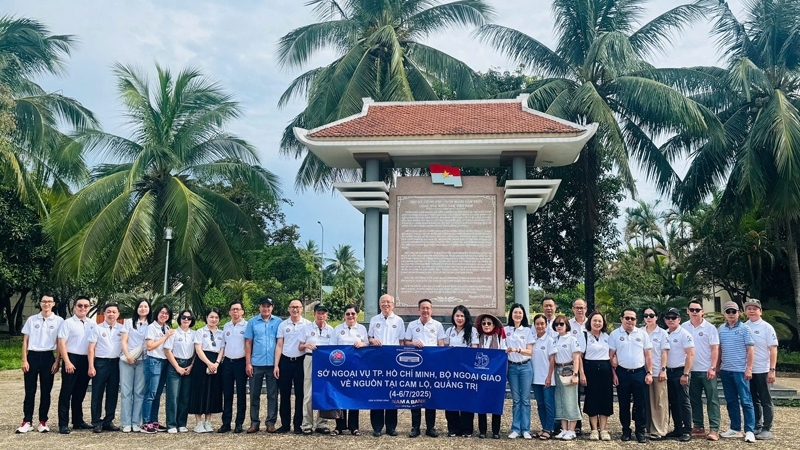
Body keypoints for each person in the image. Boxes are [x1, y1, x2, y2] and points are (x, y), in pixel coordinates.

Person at [17, 294, 63, 434]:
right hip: (33, 355)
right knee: (29, 390)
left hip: (48, 356)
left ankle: (43, 421)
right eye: (44, 301)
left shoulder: (59, 321)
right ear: (40, 303)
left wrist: (57, 361)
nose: (46, 304)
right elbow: (25, 341)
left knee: (46, 391)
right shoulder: (32, 320)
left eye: (49, 301)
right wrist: (24, 360)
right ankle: (27, 421)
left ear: (54, 303)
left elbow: (60, 343)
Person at [609, 309, 653, 443]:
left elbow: (648, 355)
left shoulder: (642, 334)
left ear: (636, 320)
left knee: (641, 404)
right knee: (623, 404)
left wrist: (649, 372)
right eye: (627, 318)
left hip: (639, 372)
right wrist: (614, 374)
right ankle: (626, 430)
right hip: (622, 373)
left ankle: (640, 431)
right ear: (621, 318)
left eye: (632, 319)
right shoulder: (615, 334)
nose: (630, 321)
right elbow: (611, 355)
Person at [405, 298, 445, 438]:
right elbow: (405, 342)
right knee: (415, 396)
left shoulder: (438, 325)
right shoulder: (411, 325)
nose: (425, 311)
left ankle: (430, 427)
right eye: (423, 308)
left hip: (431, 365)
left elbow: (441, 344)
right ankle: (415, 427)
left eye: (428, 308)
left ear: (431, 310)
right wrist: (413, 343)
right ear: (419, 310)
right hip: (415, 365)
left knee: (430, 395)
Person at [57, 296, 96, 434]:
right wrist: (67, 361)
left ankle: (78, 421)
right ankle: (63, 424)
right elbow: (61, 343)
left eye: (86, 306)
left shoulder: (93, 323)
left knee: (80, 392)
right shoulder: (67, 323)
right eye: (80, 305)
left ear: (89, 308)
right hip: (71, 358)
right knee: (66, 392)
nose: (83, 308)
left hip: (86, 360)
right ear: (74, 307)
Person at [717, 301, 756, 442]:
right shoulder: (721, 329)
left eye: (734, 311)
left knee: (746, 401)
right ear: (724, 314)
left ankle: (750, 430)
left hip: (740, 370)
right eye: (728, 312)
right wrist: (717, 367)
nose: (731, 314)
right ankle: (735, 429)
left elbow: (750, 350)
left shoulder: (745, 329)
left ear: (739, 313)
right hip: (726, 370)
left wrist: (749, 368)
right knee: (731, 400)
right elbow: (719, 350)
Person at [683, 300, 721, 441]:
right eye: (692, 309)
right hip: (691, 370)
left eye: (697, 310)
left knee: (712, 399)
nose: (694, 312)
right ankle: (698, 426)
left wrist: (713, 367)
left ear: (702, 311)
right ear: (687, 311)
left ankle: (714, 428)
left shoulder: (710, 328)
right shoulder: (683, 327)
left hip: (706, 370)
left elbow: (715, 349)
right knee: (694, 400)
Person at [368, 293, 405, 437]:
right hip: (377, 361)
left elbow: (402, 341)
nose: (386, 305)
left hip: (393, 362)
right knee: (377, 393)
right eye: (383, 302)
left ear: (393, 304)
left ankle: (391, 427)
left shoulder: (399, 321)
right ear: (379, 305)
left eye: (388, 302)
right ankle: (377, 427)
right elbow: (369, 337)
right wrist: (372, 340)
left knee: (392, 394)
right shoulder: (374, 320)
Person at [330, 304, 368, 436]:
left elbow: (368, 345)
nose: (350, 316)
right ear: (344, 315)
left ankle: (354, 426)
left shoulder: (362, 329)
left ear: (357, 315)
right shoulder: (337, 329)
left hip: (356, 368)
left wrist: (363, 344)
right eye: (348, 314)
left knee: (354, 396)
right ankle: (339, 426)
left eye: (353, 313)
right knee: (340, 396)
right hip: (340, 368)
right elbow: (331, 348)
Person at [245, 296, 281, 433]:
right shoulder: (252, 322)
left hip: (273, 364)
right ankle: (254, 422)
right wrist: (248, 363)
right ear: (259, 307)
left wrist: (278, 364)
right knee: (254, 394)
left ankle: (271, 422)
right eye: (263, 306)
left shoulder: (278, 322)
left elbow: (280, 342)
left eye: (268, 306)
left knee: (272, 394)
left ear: (272, 307)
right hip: (256, 363)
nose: (266, 308)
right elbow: (248, 343)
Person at [274, 299, 310, 434]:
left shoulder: (307, 324)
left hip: (301, 361)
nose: (295, 310)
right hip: (285, 362)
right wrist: (276, 365)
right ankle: (285, 424)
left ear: (302, 308)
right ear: (288, 309)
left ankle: (298, 424)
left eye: (298, 307)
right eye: (293, 307)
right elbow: (279, 345)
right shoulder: (283, 325)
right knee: (284, 395)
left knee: (300, 394)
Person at [744, 298, 778, 440]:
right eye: (749, 308)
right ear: (745, 311)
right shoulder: (744, 326)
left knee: (765, 399)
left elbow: (773, 349)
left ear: (760, 311)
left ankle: (767, 428)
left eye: (755, 308)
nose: (752, 311)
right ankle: (756, 426)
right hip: (748, 370)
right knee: (753, 399)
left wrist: (772, 369)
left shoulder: (767, 327)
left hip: (763, 369)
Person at [87, 303, 123, 433]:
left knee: (113, 393)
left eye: (114, 312)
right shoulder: (97, 328)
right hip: (101, 363)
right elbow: (91, 348)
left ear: (118, 314)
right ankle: (96, 421)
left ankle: (108, 421)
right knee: (97, 393)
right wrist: (91, 366)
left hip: (116, 363)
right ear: (104, 313)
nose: (111, 314)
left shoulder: (122, 329)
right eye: (109, 311)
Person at [299, 304, 334, 434]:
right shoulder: (307, 328)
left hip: (326, 362)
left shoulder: (331, 330)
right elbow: (300, 346)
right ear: (314, 314)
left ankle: (321, 423)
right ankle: (307, 424)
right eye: (319, 313)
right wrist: (307, 345)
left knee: (324, 392)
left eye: (323, 313)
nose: (321, 315)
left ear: (327, 315)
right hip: (310, 359)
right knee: (308, 393)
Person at [444, 305, 477, 437]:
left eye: (462, 316)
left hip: (466, 370)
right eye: (457, 315)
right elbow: (444, 349)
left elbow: (474, 348)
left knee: (466, 399)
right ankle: (453, 428)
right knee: (451, 399)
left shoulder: (472, 331)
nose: (459, 318)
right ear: (453, 317)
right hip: (451, 370)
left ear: (466, 317)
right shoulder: (449, 331)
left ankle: (466, 428)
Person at [579, 310, 612, 441]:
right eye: (595, 321)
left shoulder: (607, 337)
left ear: (603, 323)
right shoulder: (584, 336)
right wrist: (581, 373)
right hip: (590, 370)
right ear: (590, 322)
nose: (597, 323)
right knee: (592, 399)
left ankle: (603, 429)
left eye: (600, 321)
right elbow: (579, 357)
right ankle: (593, 429)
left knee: (605, 399)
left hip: (605, 371)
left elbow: (611, 355)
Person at [141, 304, 174, 434]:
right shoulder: (151, 327)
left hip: (165, 362)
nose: (164, 315)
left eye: (167, 313)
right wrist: (165, 337)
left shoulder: (166, 328)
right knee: (151, 393)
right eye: (162, 312)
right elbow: (150, 346)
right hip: (153, 361)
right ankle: (146, 422)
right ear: (157, 314)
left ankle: (154, 421)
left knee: (158, 393)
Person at [663, 307, 694, 442]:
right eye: (668, 317)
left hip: (681, 371)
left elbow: (690, 354)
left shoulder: (684, 334)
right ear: (664, 320)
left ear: (679, 319)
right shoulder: (664, 333)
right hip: (668, 372)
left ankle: (687, 430)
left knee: (684, 401)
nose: (671, 320)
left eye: (674, 317)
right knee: (673, 402)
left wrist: (686, 374)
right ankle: (677, 428)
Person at [119, 299, 150, 433]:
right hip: (127, 359)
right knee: (126, 392)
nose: (143, 308)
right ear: (136, 308)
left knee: (139, 392)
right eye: (140, 306)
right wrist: (129, 356)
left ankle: (136, 422)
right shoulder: (128, 322)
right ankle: (126, 422)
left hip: (143, 360)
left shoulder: (152, 325)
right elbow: (124, 341)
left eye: (145, 306)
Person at [164, 309, 196, 434]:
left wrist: (192, 365)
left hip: (189, 365)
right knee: (173, 395)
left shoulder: (194, 334)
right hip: (175, 364)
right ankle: (171, 424)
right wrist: (177, 367)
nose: (186, 320)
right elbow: (167, 351)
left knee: (185, 396)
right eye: (184, 317)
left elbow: (196, 351)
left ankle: (182, 423)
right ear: (179, 319)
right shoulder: (173, 333)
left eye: (189, 318)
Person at [219, 300, 248, 433]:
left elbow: (249, 346)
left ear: (242, 311)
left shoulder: (247, 326)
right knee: (227, 394)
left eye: (238, 309)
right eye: (233, 309)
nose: (235, 311)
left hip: (241, 363)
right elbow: (223, 346)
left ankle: (239, 423)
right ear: (230, 312)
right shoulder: (226, 326)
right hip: (227, 363)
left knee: (241, 394)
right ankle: (226, 423)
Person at [504, 303, 533, 439]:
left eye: (520, 313)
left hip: (525, 367)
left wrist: (517, 349)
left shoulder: (527, 331)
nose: (517, 315)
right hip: (512, 367)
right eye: (515, 312)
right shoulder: (505, 330)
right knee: (516, 400)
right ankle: (516, 428)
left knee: (525, 399)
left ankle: (526, 429)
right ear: (511, 314)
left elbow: (530, 352)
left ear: (523, 315)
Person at [476, 313, 505, 439]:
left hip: (496, 373)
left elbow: (504, 353)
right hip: (481, 374)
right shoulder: (478, 337)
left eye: (489, 323)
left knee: (495, 401)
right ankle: (482, 430)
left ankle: (495, 430)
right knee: (481, 401)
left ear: (493, 325)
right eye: (484, 323)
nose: (486, 325)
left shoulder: (499, 337)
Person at [643, 307, 670, 440]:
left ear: (656, 317)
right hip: (643, 371)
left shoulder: (663, 333)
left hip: (658, 371)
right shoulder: (640, 332)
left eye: (651, 315)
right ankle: (647, 428)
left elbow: (664, 352)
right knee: (645, 402)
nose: (649, 317)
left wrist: (663, 369)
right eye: (646, 315)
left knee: (659, 402)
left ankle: (659, 430)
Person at [552, 314, 581, 440]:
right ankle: (564, 429)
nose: (559, 326)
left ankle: (572, 429)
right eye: (557, 324)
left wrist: (575, 374)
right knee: (560, 400)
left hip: (569, 369)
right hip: (557, 369)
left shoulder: (572, 339)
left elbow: (576, 357)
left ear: (566, 325)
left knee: (570, 399)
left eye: (561, 324)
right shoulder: (554, 339)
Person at [530, 313, 556, 440]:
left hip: (547, 377)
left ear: (546, 325)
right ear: (534, 325)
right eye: (537, 324)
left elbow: (552, 360)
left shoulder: (550, 340)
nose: (539, 326)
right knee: (540, 403)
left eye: (542, 324)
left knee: (548, 403)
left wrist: (549, 376)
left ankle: (549, 428)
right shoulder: (532, 339)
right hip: (535, 378)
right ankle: (544, 427)